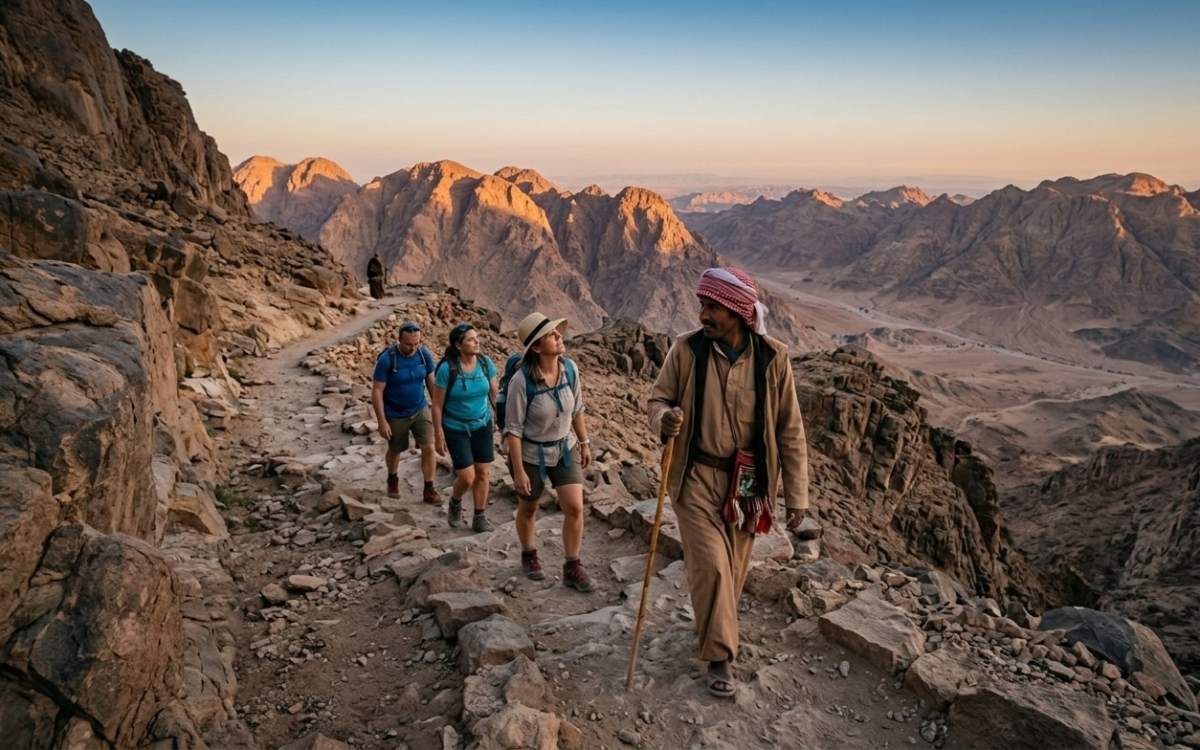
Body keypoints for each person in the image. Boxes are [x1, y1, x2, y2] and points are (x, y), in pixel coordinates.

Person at [647, 267, 809, 698]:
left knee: (733, 572)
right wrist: (665, 418)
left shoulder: (774, 358)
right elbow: (657, 398)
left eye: (711, 307)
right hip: (695, 477)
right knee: (713, 567)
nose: (703, 314)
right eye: (701, 305)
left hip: (749, 487)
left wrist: (797, 498)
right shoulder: (686, 350)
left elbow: (790, 430)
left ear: (738, 312)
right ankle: (720, 657)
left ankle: (714, 627)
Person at [504, 312, 595, 592]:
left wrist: (584, 442)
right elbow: (513, 429)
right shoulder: (521, 381)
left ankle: (572, 566)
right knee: (530, 506)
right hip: (531, 454)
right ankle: (529, 553)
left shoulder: (570, 369)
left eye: (557, 332)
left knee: (575, 507)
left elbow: (577, 408)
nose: (559, 336)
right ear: (536, 347)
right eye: (551, 335)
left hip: (564, 449)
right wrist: (519, 471)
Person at [431, 323, 499, 532]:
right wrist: (438, 434)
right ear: (458, 345)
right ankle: (455, 501)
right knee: (467, 476)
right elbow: (437, 404)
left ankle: (479, 517)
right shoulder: (447, 369)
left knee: (482, 473)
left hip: (482, 424)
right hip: (455, 427)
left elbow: (495, 394)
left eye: (476, 337)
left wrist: (505, 423)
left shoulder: (485, 363)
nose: (477, 341)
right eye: (470, 339)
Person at [371, 321, 440, 504]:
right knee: (395, 449)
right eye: (409, 344)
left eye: (416, 343)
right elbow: (377, 391)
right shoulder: (387, 359)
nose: (413, 348)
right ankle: (392, 479)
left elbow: (431, 383)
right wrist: (381, 421)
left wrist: (438, 409)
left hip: (419, 408)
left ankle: (429, 489)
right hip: (395, 413)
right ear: (399, 339)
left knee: (429, 447)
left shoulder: (423, 355)